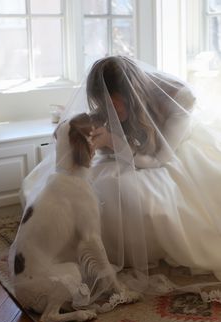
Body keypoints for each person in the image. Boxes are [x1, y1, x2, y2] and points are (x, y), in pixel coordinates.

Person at [22, 56, 221, 303]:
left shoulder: (179, 97)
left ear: (131, 93)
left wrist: (113, 142)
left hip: (174, 154)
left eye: (114, 104)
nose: (110, 110)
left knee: (132, 194)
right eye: (105, 104)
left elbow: (159, 159)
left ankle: (134, 252)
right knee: (89, 185)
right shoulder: (112, 105)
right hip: (132, 151)